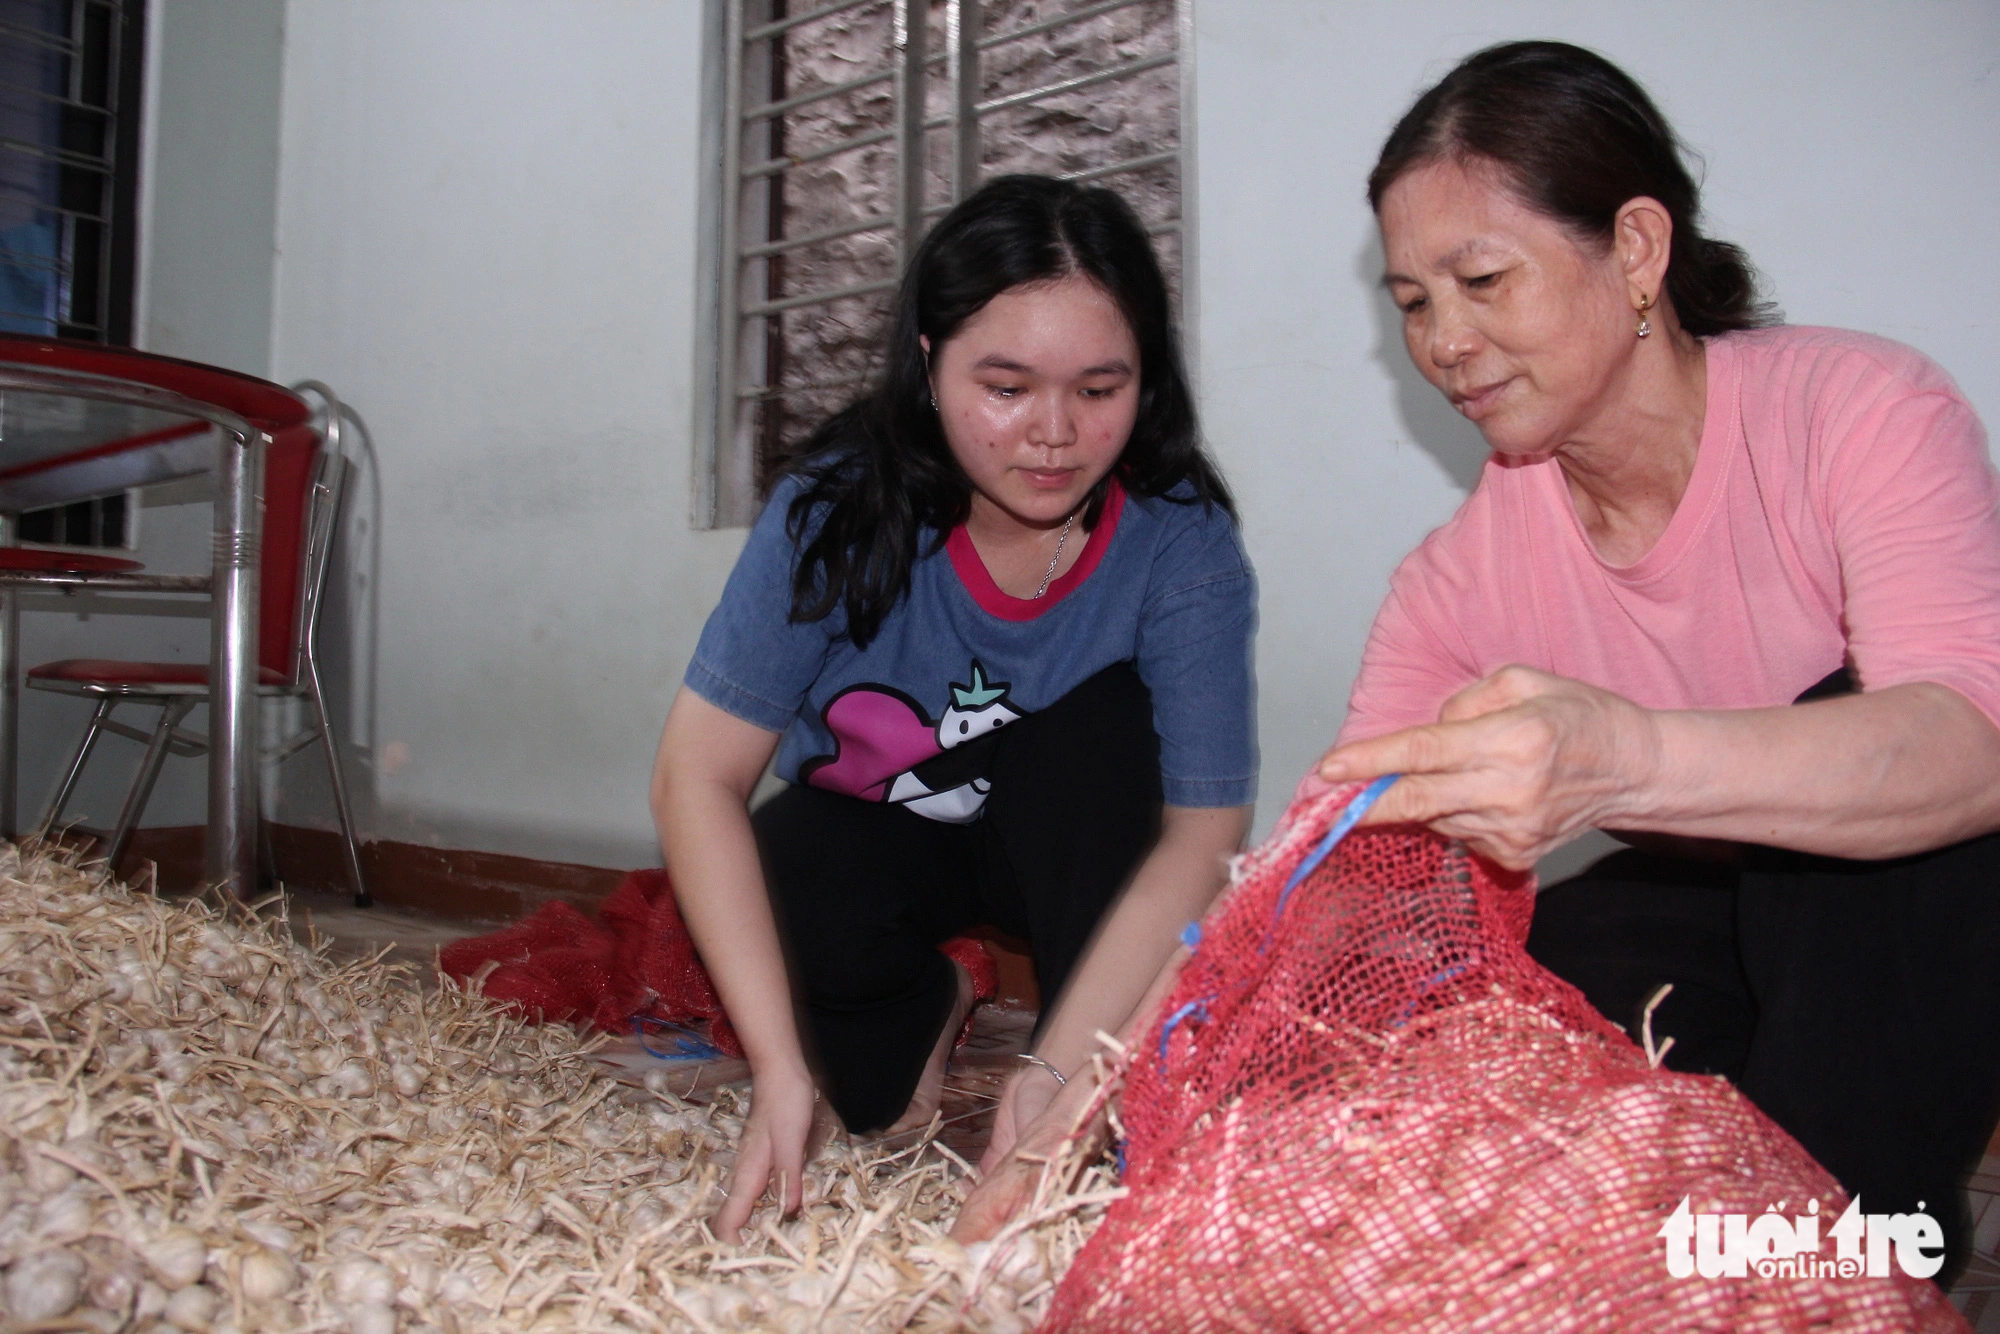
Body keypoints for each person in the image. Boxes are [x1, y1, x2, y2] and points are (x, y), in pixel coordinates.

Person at [1306, 41, 2000, 1281]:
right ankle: (1718, 1227)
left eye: (1479, 279)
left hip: (1915, 907)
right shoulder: (1454, 577)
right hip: (1716, 912)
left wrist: (1620, 757)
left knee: (1853, 765)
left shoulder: (1861, 411)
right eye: (1412, 301)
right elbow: (1344, 866)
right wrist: (1125, 1050)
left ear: (1633, 247)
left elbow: (1970, 746)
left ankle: (1845, 1264)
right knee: (1521, 971)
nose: (1444, 340)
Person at [651, 174, 1257, 1240]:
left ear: (1144, 381)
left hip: (1074, 833)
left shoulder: (1178, 537)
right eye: (1006, 386)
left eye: (1099, 389)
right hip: (893, 828)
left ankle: (1072, 1045)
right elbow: (694, 774)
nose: (1054, 435)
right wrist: (779, 1071)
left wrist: (1053, 1081)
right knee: (784, 876)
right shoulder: (836, 509)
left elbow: (1206, 829)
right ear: (929, 362)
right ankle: (923, 999)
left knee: (1109, 731)